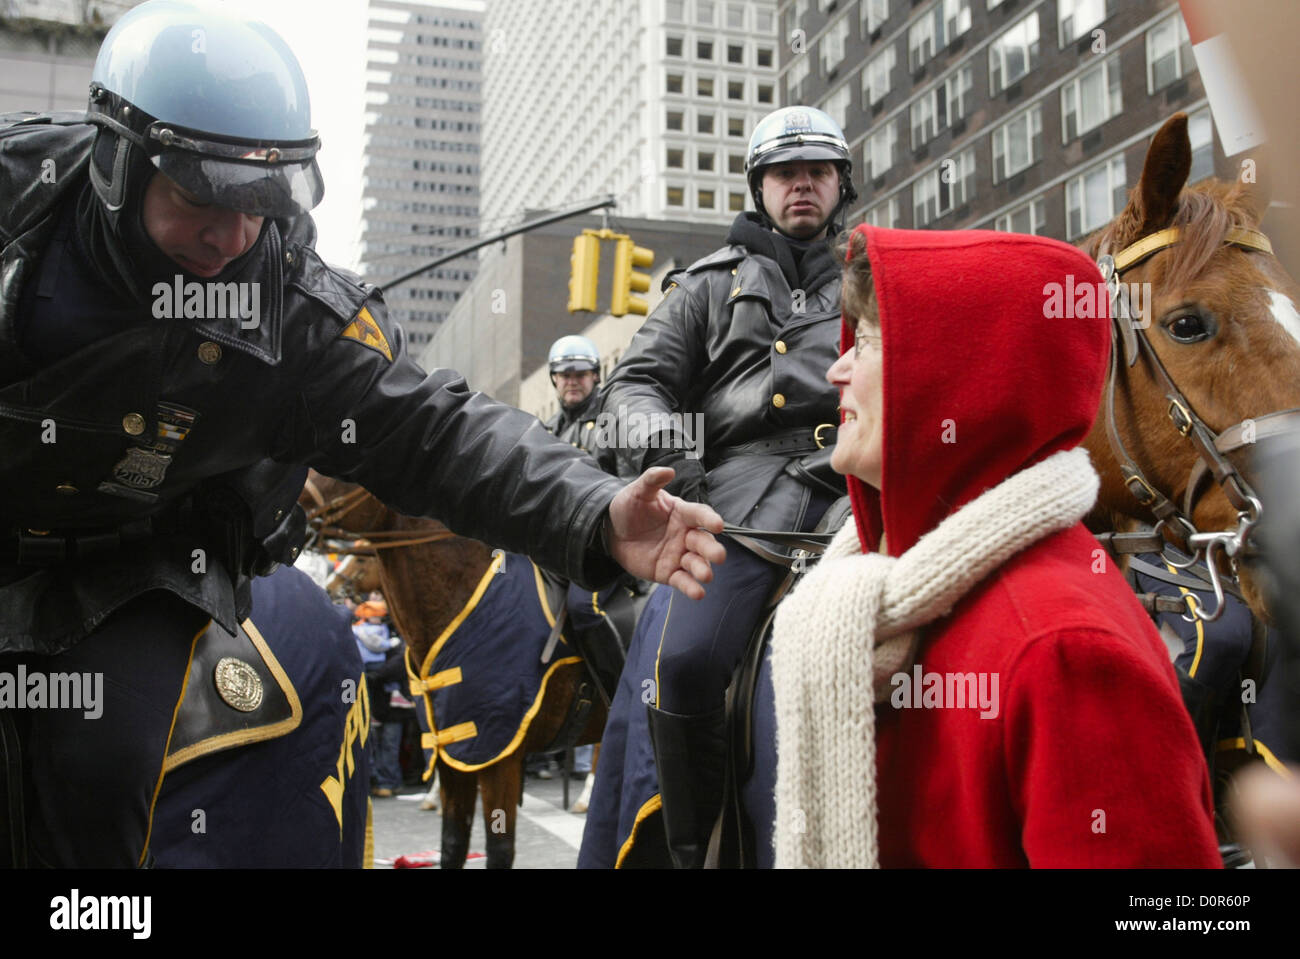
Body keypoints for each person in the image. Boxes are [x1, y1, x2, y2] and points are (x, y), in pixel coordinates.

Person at [0, 0, 723, 868]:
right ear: (119, 164)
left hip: (139, 569)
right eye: (202, 199)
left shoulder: (296, 314)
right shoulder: (16, 203)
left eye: (261, 205)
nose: (234, 237)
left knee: (100, 768)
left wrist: (597, 512)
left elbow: (436, 429)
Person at [768, 223, 1222, 867]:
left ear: (961, 377)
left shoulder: (1064, 645)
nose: (836, 368)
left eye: (868, 342)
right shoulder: (875, 590)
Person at [588, 106, 852, 868]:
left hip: (858, 485)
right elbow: (632, 389)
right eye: (785, 172)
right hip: (737, 496)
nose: (802, 184)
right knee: (688, 660)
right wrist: (687, 474)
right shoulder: (705, 286)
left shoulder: (881, 277)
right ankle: (693, 845)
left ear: (842, 184)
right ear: (759, 186)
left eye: (818, 171)